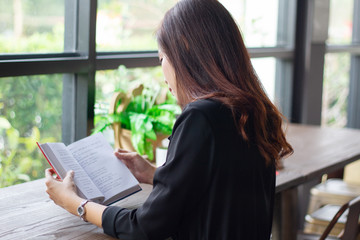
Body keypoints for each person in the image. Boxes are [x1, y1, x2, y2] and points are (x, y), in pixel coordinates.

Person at [45, 0, 293, 239]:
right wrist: (156, 174)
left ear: (185, 50)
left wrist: (76, 204)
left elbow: (146, 227)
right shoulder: (253, 110)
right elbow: (226, 185)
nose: (163, 74)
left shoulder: (201, 117)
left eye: (161, 58)